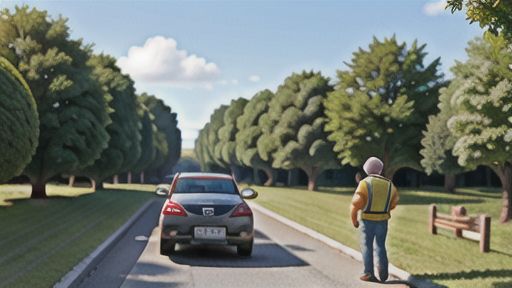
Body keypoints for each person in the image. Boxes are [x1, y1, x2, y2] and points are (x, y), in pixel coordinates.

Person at [350, 157, 399, 282]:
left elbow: (356, 203)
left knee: (367, 245)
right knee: (381, 245)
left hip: (367, 220)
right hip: (383, 220)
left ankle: (368, 272)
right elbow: (393, 204)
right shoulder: (389, 184)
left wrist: (354, 220)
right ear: (380, 170)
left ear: (367, 169)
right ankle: (383, 274)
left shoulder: (365, 183)